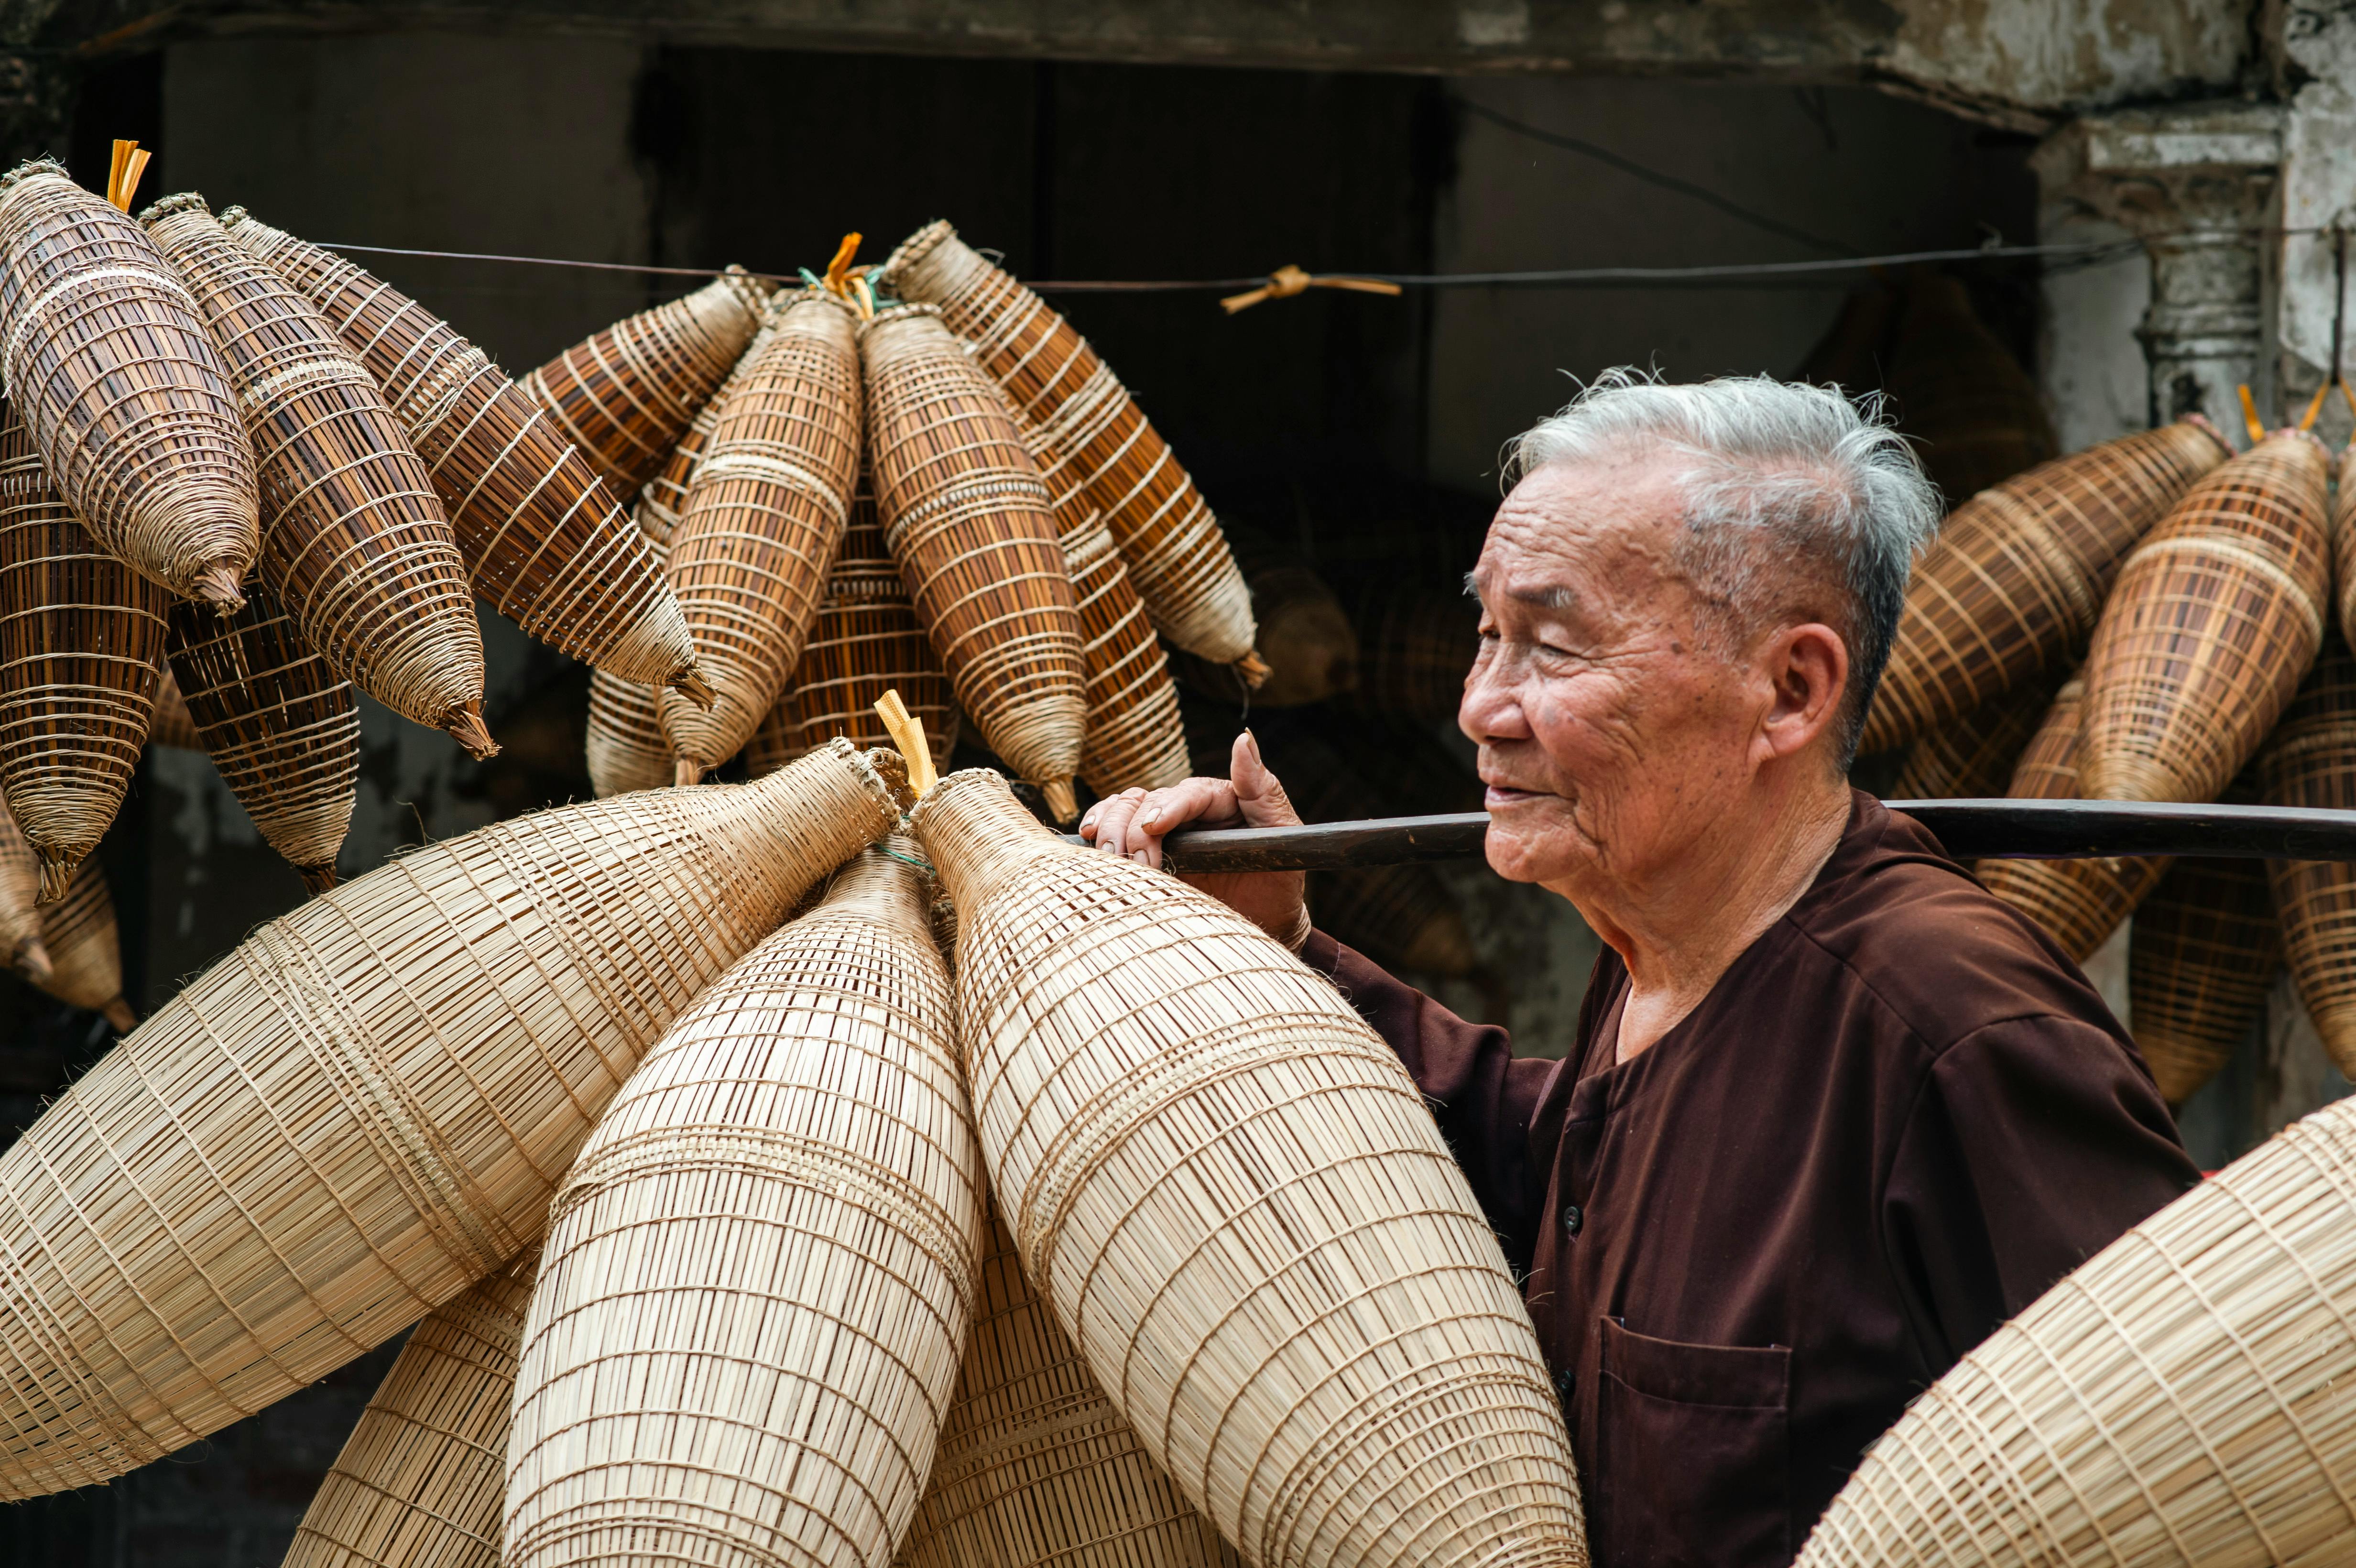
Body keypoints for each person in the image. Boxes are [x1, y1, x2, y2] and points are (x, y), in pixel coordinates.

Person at [1081, 370, 2200, 1568]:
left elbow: (2188, 1477)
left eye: (1553, 647)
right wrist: (1288, 941)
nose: (1480, 709)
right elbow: (1549, 1161)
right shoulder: (1663, 952)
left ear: (1789, 690)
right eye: (1487, 637)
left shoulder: (1952, 1030)